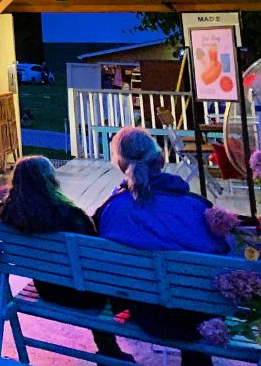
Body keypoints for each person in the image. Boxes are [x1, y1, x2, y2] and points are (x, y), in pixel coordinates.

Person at [94, 127, 228, 366]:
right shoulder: (197, 208)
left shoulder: (112, 210)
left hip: (143, 311)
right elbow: (222, 257)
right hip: (197, 317)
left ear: (121, 165)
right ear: (160, 159)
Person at [0, 156, 134, 362]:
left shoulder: (8, 216)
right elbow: (94, 254)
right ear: (50, 180)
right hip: (82, 294)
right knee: (108, 281)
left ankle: (109, 350)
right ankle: (109, 350)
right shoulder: (69, 216)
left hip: (48, 288)